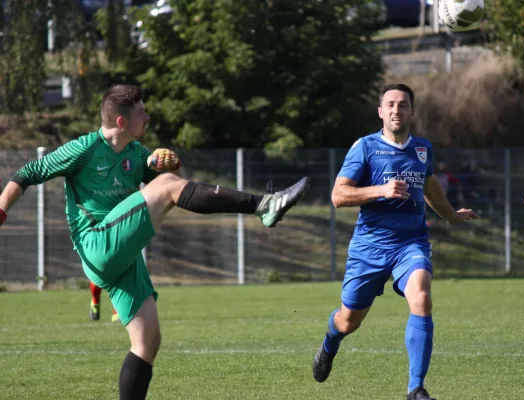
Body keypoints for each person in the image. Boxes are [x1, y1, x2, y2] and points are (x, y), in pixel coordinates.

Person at [0, 84, 310, 400]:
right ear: (122, 121)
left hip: (122, 255)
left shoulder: (137, 154)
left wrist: (171, 164)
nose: (148, 117)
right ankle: (263, 205)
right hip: (97, 244)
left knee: (147, 342)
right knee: (165, 188)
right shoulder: (82, 149)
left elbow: (177, 187)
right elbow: (27, 172)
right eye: (142, 112)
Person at [311, 83, 478, 400]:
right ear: (380, 111)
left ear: (412, 112)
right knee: (349, 321)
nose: (396, 110)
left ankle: (415, 388)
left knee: (422, 297)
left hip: (411, 243)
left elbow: (429, 189)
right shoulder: (364, 147)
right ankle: (330, 342)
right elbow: (337, 195)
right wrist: (380, 190)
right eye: (390, 104)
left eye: (403, 105)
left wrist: (452, 216)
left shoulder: (423, 148)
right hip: (369, 247)